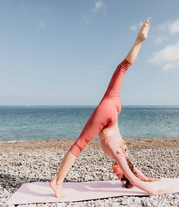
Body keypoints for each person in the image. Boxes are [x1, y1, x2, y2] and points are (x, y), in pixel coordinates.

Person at [49, 20, 171, 198]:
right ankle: (57, 182)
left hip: (113, 107)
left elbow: (133, 169)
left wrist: (145, 177)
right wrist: (155, 189)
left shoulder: (125, 156)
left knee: (123, 68)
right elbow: (133, 178)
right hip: (108, 114)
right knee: (79, 145)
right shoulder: (121, 158)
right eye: (121, 177)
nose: (116, 174)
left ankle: (139, 40)